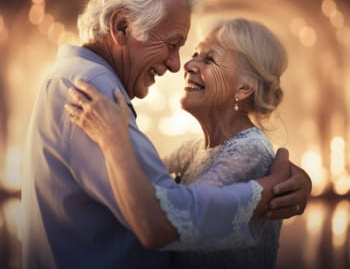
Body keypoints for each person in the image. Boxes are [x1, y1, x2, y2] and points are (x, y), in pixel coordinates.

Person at [21, 0, 311, 269]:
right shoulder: (91, 89)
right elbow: (164, 218)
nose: (179, 65)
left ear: (245, 88)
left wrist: (285, 176)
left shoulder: (80, 82)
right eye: (174, 45)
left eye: (207, 58)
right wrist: (267, 190)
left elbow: (162, 193)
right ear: (122, 27)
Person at [66, 17, 291, 268]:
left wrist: (113, 138)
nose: (189, 64)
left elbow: (173, 217)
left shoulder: (250, 152)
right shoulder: (193, 150)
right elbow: (144, 180)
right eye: (195, 54)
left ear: (244, 88)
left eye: (209, 59)